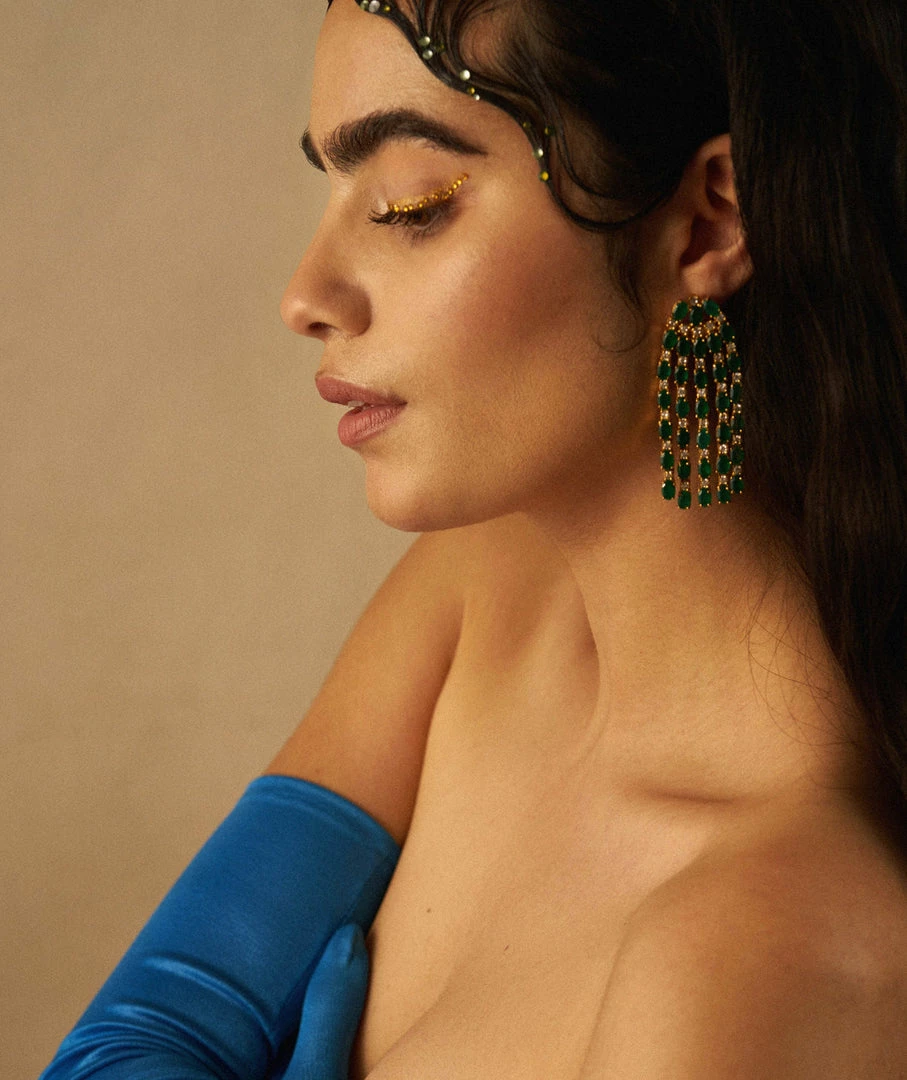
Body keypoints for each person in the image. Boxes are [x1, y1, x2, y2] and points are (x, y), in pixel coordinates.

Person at [41, 0, 907, 1077]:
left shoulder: (757, 952)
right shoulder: (480, 595)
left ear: (707, 223)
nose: (305, 297)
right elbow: (137, 1040)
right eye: (333, 191)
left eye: (409, 204)